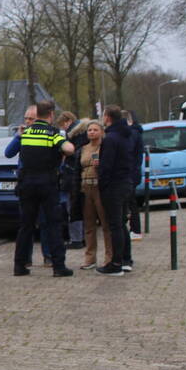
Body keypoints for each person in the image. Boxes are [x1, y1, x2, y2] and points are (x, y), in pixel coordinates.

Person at [12, 100, 75, 277]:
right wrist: (63, 148)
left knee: (26, 225)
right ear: (51, 114)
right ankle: (59, 267)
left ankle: (20, 265)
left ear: (36, 114)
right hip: (47, 183)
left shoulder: (26, 132)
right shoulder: (52, 133)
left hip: (26, 183)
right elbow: (69, 149)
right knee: (53, 224)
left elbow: (13, 151)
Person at [96, 105, 135, 276]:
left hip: (114, 186)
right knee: (121, 223)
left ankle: (116, 263)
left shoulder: (111, 138)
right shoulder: (127, 135)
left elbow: (107, 165)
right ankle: (126, 259)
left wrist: (102, 184)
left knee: (115, 225)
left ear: (108, 117)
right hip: (126, 182)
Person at [77, 120, 113, 269]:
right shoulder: (83, 149)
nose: (91, 132)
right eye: (89, 130)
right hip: (85, 187)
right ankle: (90, 258)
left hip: (100, 187)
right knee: (89, 225)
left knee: (106, 224)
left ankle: (109, 256)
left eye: (95, 130)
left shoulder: (105, 147)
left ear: (101, 132)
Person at [58, 112, 86, 249]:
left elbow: (73, 155)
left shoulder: (74, 136)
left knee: (73, 208)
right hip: (81, 176)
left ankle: (76, 239)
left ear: (68, 121)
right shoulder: (84, 133)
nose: (63, 128)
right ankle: (83, 237)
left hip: (72, 176)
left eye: (63, 125)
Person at [124, 109, 144, 257]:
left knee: (131, 202)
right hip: (134, 171)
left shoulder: (131, 134)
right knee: (131, 202)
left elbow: (130, 153)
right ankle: (135, 229)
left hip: (130, 173)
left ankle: (135, 229)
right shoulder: (136, 133)